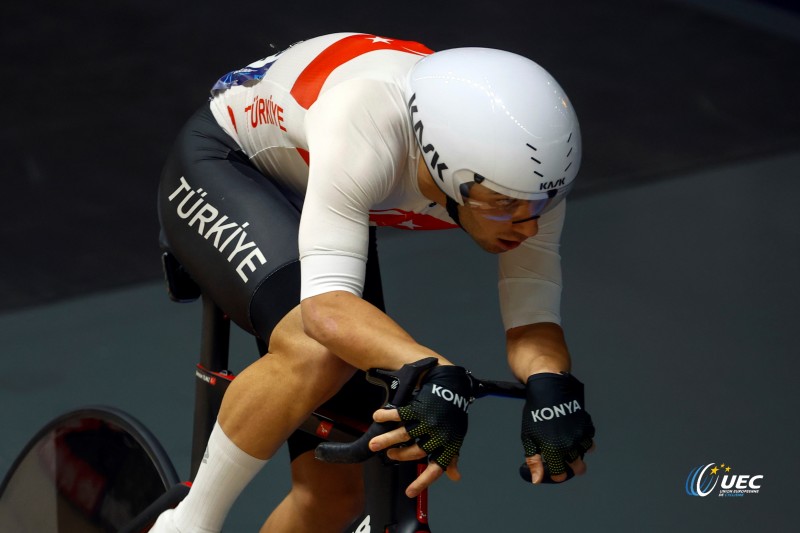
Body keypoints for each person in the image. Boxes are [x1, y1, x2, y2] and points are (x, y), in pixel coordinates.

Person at [152, 32, 595, 533]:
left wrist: (551, 384)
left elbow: (532, 321)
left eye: (540, 206)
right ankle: (187, 523)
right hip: (231, 161)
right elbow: (326, 313)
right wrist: (434, 372)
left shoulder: (527, 182)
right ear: (444, 168)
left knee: (336, 496)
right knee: (319, 351)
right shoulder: (364, 121)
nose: (529, 224)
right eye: (503, 206)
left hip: (335, 187)